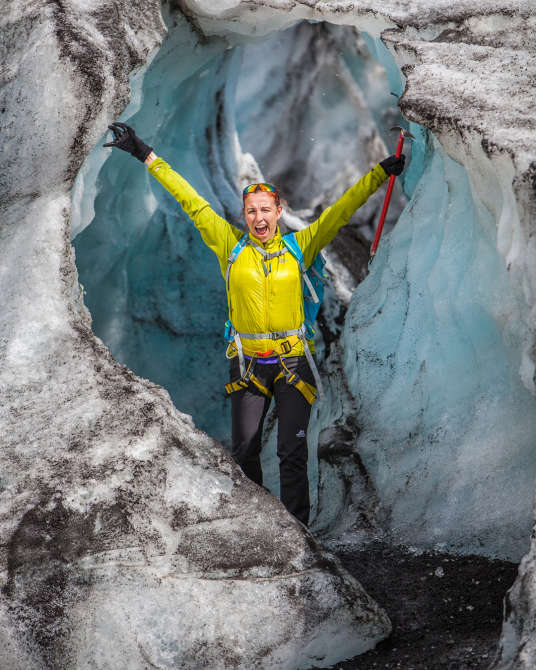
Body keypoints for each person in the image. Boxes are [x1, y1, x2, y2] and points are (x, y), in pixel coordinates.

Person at [104, 121, 405, 525]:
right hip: (247, 363)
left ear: (278, 212)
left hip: (293, 362)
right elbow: (191, 201)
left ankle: (297, 530)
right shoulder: (229, 246)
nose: (259, 217)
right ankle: (261, 526)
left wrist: (381, 172)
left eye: (266, 210)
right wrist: (146, 154)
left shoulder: (301, 245)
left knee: (291, 453)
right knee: (244, 449)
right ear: (245, 216)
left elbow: (343, 208)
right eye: (252, 211)